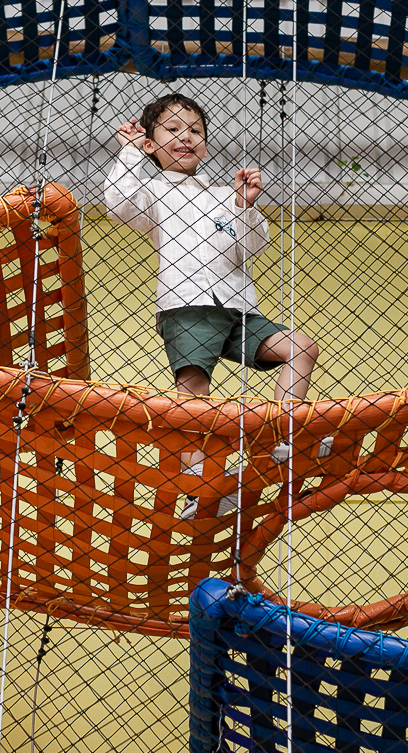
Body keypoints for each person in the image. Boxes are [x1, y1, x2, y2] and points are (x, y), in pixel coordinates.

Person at [103, 93, 321, 519]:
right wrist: (128, 154)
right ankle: (197, 491)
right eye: (173, 130)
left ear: (205, 142)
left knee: (301, 347)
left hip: (237, 307)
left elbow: (250, 247)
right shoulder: (153, 194)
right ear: (150, 143)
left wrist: (244, 205)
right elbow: (118, 203)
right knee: (193, 389)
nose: (186, 137)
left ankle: (282, 439)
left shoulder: (225, 194)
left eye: (196, 131)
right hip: (188, 305)